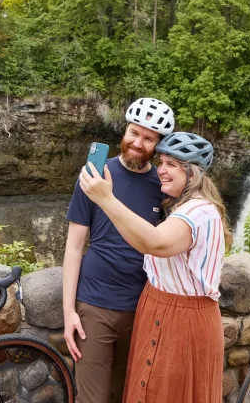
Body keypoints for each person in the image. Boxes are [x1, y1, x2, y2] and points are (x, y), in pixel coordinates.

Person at [78, 131, 230, 403]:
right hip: (157, 309)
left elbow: (155, 243)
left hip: (183, 320)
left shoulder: (199, 211)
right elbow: (141, 240)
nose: (161, 171)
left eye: (171, 165)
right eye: (161, 163)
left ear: (192, 175)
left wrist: (106, 199)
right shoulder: (181, 207)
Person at [63, 97, 176, 403]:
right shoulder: (94, 174)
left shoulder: (163, 185)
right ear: (124, 132)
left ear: (159, 145)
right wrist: (69, 312)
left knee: (128, 395)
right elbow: (74, 246)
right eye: (133, 133)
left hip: (143, 308)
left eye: (149, 138)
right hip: (94, 305)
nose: (138, 143)